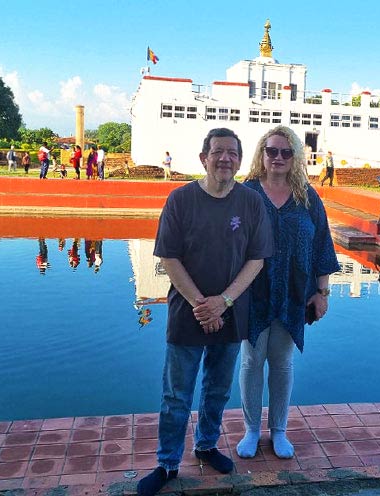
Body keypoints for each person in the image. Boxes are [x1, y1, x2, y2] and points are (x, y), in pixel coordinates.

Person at [137, 128, 273, 496]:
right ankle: (167, 463)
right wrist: (203, 304)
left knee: (217, 389)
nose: (225, 158)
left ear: (240, 161)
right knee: (176, 395)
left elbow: (257, 259)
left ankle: (206, 445)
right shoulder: (180, 200)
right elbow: (169, 257)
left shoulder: (250, 202)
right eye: (218, 152)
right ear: (203, 158)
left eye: (232, 153)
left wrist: (223, 302)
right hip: (188, 314)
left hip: (230, 313)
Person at [238, 126, 339, 460]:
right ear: (262, 154)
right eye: (272, 151)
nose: (278, 158)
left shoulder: (307, 197)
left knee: (281, 363)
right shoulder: (247, 193)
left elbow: (323, 244)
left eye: (286, 152)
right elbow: (228, 240)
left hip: (294, 294)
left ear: (295, 156)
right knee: (252, 361)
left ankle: (278, 430)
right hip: (253, 293)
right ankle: (252, 430)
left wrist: (322, 292)